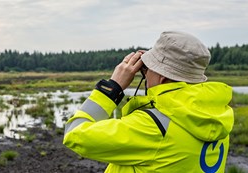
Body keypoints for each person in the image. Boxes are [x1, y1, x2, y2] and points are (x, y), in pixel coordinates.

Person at [63, 31, 234, 173]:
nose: (144, 73)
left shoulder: (153, 126)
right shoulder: (216, 116)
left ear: (162, 77)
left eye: (147, 69)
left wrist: (111, 89)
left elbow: (74, 134)